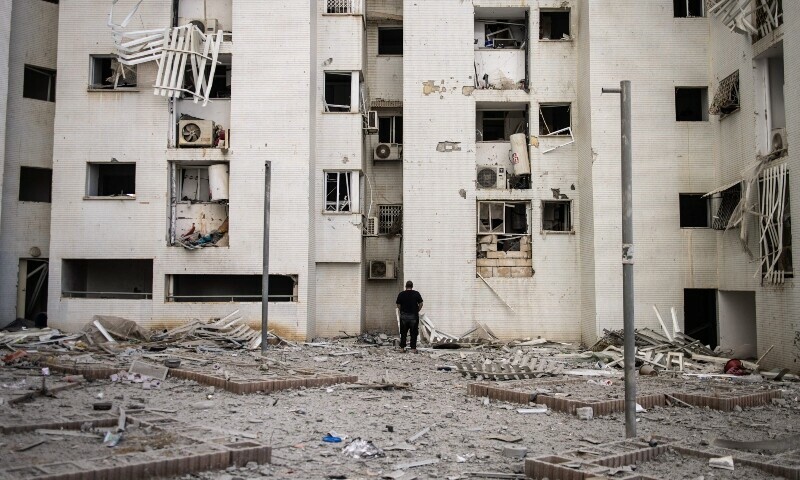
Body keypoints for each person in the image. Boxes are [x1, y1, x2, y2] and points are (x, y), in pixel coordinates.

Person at [395, 280, 423, 352]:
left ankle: (402, 348)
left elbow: (398, 304)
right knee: (414, 333)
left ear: (406, 286)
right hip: (413, 317)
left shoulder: (401, 294)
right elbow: (421, 303)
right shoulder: (416, 294)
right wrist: (417, 310)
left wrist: (402, 310)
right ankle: (413, 348)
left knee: (403, 333)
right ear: (412, 286)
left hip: (404, 317)